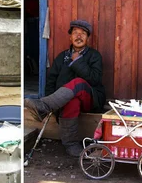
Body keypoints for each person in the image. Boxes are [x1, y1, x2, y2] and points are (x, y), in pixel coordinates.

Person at [25, 20, 106, 156]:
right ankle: (71, 145)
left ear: (88, 38)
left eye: (83, 34)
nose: (78, 36)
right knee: (71, 101)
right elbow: (51, 81)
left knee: (78, 82)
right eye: (75, 33)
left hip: (91, 99)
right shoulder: (62, 57)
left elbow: (95, 79)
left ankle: (44, 106)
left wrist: (77, 62)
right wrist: (54, 103)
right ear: (70, 37)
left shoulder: (94, 56)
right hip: (65, 102)